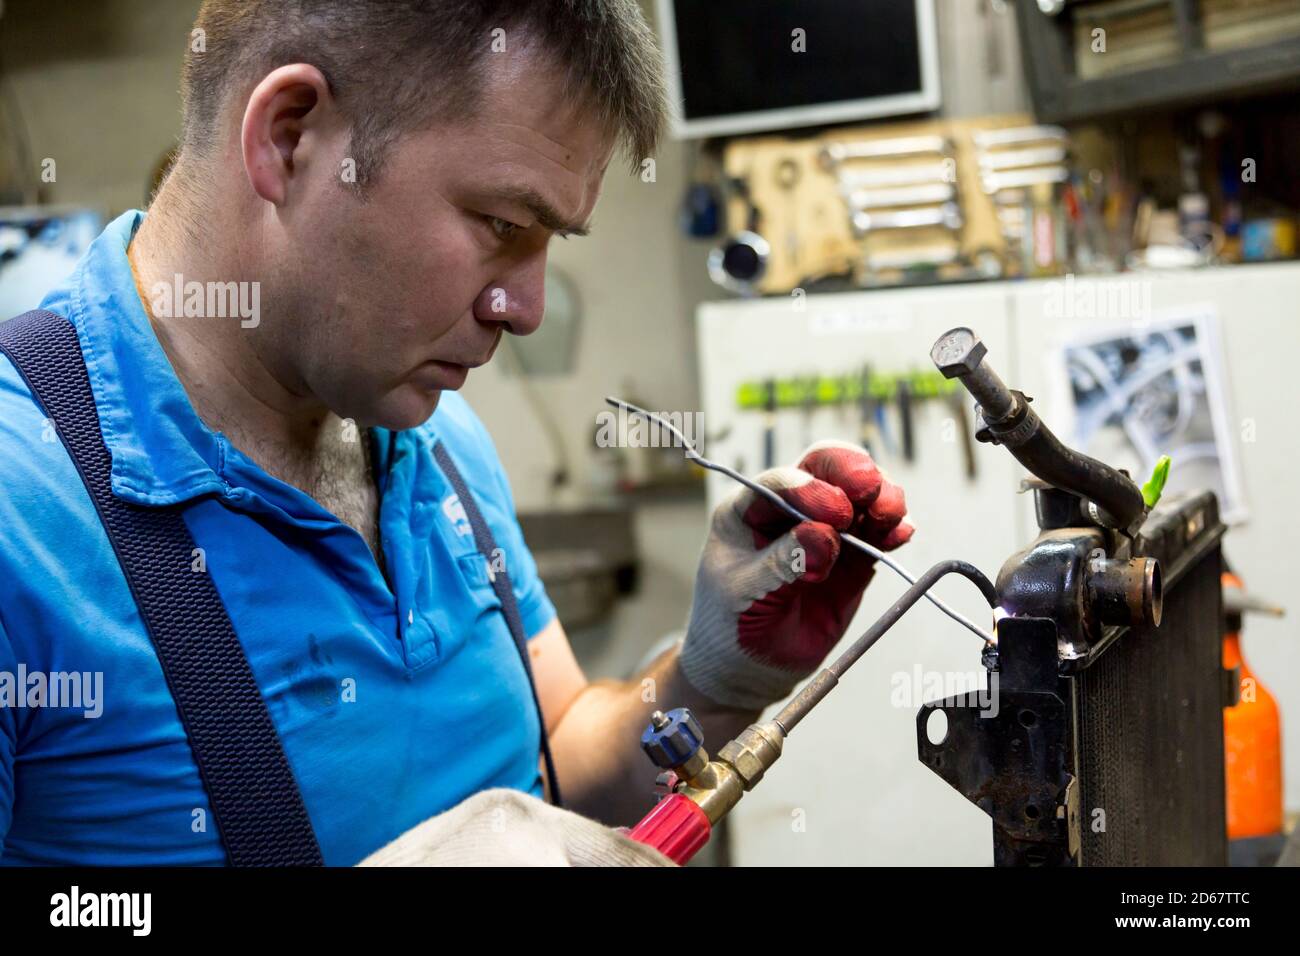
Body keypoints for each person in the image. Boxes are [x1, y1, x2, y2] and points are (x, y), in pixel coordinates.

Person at [0, 0, 911, 866]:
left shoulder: (439, 440)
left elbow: (555, 765)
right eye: (501, 224)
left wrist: (709, 684)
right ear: (290, 136)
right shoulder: (21, 502)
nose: (526, 308)